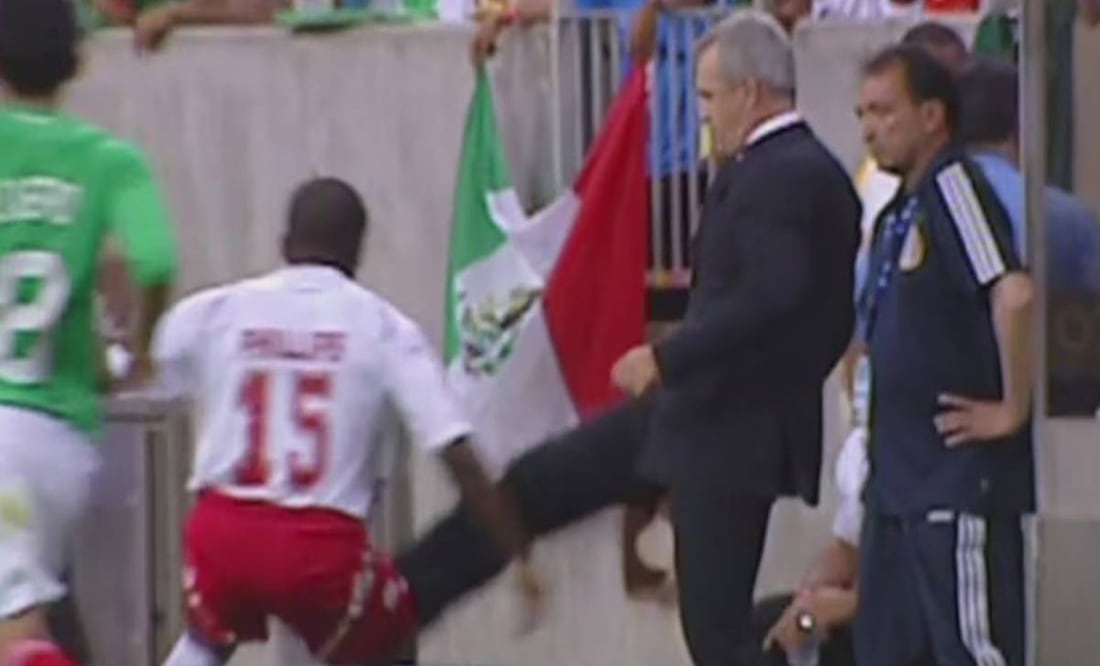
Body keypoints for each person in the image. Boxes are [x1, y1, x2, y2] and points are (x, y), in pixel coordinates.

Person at [398, 10, 860, 666]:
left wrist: (668, 356)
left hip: (724, 433)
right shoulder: (790, 171)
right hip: (695, 417)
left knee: (717, 639)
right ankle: (400, 605)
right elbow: (812, 316)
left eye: (708, 98)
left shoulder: (784, 175)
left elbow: (775, 297)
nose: (703, 117)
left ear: (749, 94)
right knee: (537, 484)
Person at [154, 178, 535, 666]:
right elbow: (453, 447)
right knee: (390, 639)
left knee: (209, 634)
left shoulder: (215, 310)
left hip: (223, 530)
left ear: (285, 243)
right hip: (319, 546)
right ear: (357, 250)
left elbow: (155, 362)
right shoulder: (383, 327)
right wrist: (516, 548)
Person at [0, 0, 178, 664]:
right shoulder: (109, 160)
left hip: (2, 441)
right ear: (78, 61)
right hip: (64, 436)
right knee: (39, 616)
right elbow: (155, 259)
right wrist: (139, 349)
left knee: (16, 639)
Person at [853, 44, 1034, 666]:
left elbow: (1012, 293)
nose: (871, 127)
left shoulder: (955, 189)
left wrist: (1012, 406)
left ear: (932, 115)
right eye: (862, 114)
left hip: (950, 485)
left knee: (971, 651)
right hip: (896, 487)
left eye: (884, 110)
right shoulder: (898, 211)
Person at [957, 58, 1100, 415]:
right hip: (1049, 410)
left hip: (944, 418)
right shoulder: (1067, 217)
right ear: (1024, 128)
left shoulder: (914, 210)